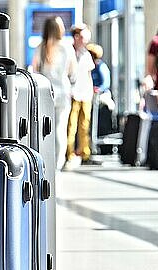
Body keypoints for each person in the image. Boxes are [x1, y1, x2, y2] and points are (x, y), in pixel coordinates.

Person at [32, 17, 77, 171]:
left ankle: (44, 160)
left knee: (44, 129)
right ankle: (58, 163)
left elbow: (35, 69)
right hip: (63, 92)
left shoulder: (41, 47)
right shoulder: (67, 47)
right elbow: (73, 72)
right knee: (60, 128)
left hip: (45, 93)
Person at [65, 24, 95, 168]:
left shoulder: (86, 53)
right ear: (76, 37)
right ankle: (69, 153)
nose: (85, 40)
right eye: (83, 37)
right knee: (71, 125)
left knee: (84, 125)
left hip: (85, 93)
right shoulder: (69, 52)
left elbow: (89, 75)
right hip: (73, 93)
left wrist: (90, 91)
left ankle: (84, 152)